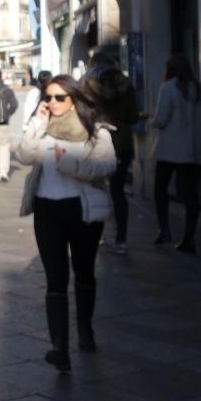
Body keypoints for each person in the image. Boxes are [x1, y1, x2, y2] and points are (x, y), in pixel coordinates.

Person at [14, 75, 115, 373]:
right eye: (49, 97)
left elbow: (107, 166)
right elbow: (24, 156)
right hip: (47, 210)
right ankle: (60, 348)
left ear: (74, 98)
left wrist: (70, 165)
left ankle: (85, 329)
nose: (53, 103)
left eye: (60, 97)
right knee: (55, 278)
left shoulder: (94, 129)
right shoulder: (42, 126)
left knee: (84, 272)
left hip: (82, 210)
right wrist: (36, 123)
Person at [151, 54, 201, 254]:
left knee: (160, 188)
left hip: (170, 150)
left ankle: (164, 230)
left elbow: (161, 119)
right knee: (191, 194)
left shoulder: (168, 88)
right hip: (196, 151)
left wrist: (151, 120)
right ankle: (189, 239)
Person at [83, 55, 140, 254]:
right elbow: (133, 116)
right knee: (118, 191)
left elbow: (82, 114)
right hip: (122, 143)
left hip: (97, 141)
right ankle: (121, 239)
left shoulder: (87, 85)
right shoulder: (127, 85)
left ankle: (95, 235)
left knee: (95, 189)